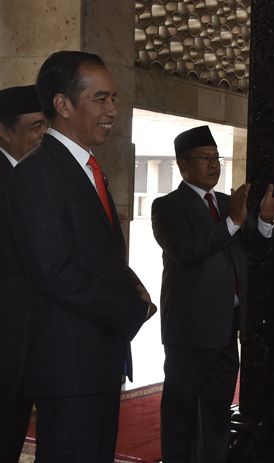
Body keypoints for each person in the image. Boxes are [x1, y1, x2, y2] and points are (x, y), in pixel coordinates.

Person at [7, 51, 156, 462]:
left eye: (114, 99)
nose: (112, 110)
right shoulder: (37, 173)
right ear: (63, 104)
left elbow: (97, 254)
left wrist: (131, 284)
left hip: (97, 361)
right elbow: (53, 271)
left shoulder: (87, 167)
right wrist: (131, 310)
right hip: (68, 367)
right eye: (101, 99)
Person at [152, 125, 274, 463]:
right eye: (204, 158)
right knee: (181, 414)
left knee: (217, 414)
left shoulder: (230, 203)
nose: (213, 164)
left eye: (216, 157)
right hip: (189, 330)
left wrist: (263, 221)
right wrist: (232, 222)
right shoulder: (167, 206)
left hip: (227, 327)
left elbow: (254, 252)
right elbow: (186, 251)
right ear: (182, 165)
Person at [0, 84, 47, 463]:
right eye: (34, 128)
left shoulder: (35, 177)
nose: (43, 138)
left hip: (29, 340)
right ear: (4, 131)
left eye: (46, 127)